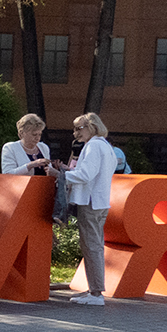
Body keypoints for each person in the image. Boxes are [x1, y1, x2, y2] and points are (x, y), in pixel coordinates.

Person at [53, 112, 117, 306]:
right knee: (94, 245)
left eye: (78, 129)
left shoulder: (93, 146)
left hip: (90, 202)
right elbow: (92, 174)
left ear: (91, 127)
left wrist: (59, 174)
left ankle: (96, 293)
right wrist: (69, 171)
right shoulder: (105, 146)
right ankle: (94, 290)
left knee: (91, 246)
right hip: (100, 202)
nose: (75, 133)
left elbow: (86, 175)